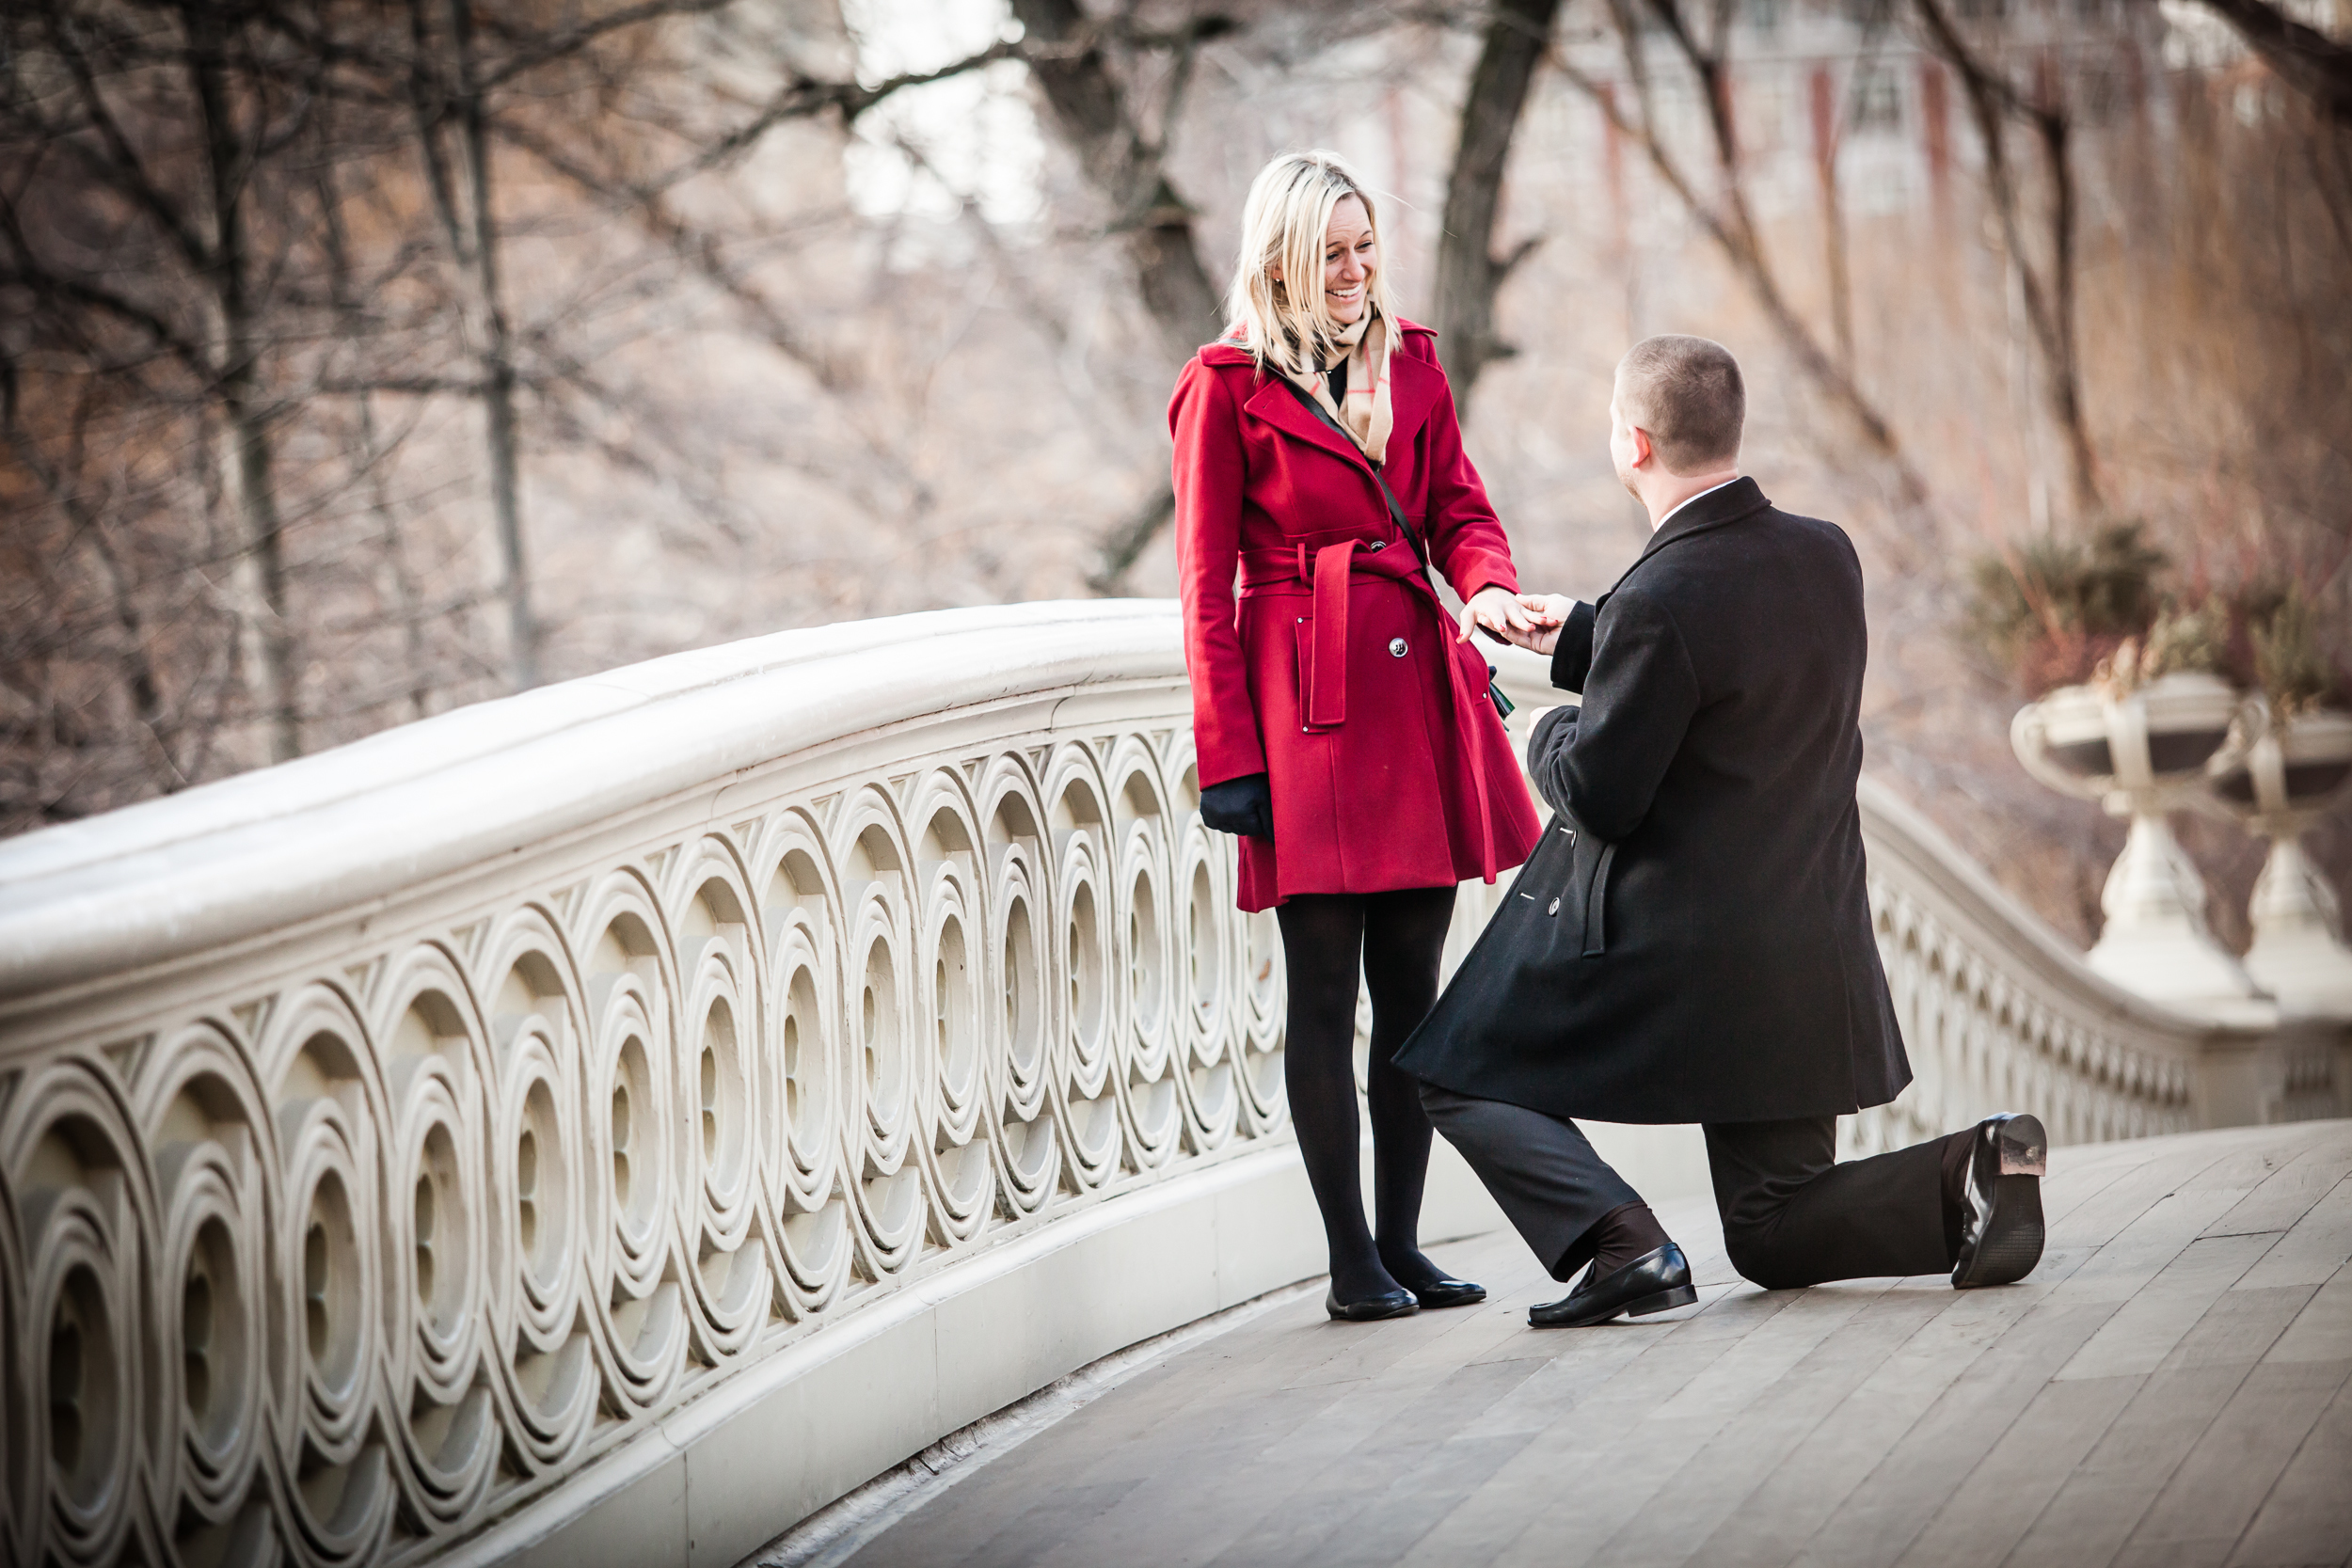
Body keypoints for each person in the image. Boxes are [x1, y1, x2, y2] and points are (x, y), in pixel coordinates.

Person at [1393, 334, 2048, 1327]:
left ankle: (1626, 1242)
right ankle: (1969, 1169)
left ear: (1635, 443)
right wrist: (1580, 632)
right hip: (1809, 943)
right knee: (1769, 1227)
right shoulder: (1824, 554)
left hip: (1687, 958)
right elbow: (1730, 669)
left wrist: (1546, 732)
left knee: (1449, 1067)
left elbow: (1606, 791)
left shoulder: (1660, 599)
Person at [1170, 150, 1550, 1321]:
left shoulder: (1415, 365)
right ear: (1283, 258)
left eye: (1365, 245)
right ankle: (1349, 1259)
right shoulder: (1224, 385)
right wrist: (1232, 759)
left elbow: (1458, 514)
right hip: (1304, 712)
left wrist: (1486, 590)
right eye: (1330, 252)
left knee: (1414, 995)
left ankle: (1403, 1242)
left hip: (1413, 696)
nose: (1354, 271)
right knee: (1323, 994)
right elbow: (1201, 589)